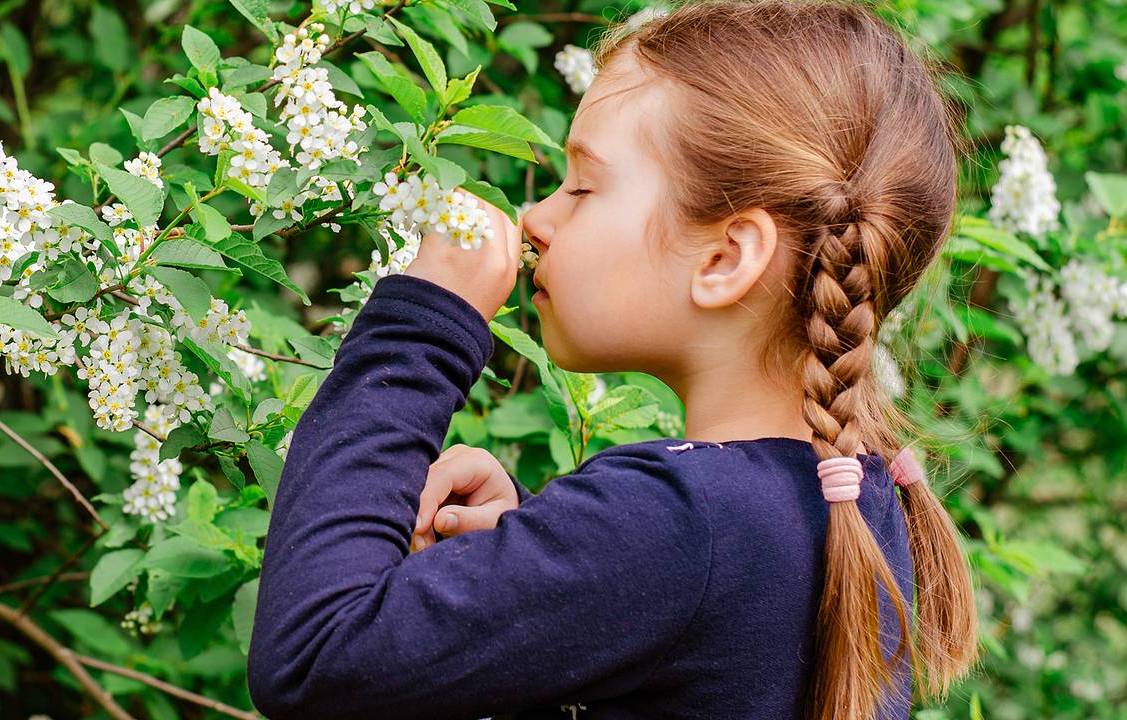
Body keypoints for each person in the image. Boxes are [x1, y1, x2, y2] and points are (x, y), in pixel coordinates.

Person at [246, 1, 981, 717]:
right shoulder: (859, 500)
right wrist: (531, 550)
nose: (538, 217)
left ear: (726, 257)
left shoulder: (675, 520)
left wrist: (421, 330)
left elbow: (314, 655)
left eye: (585, 185)